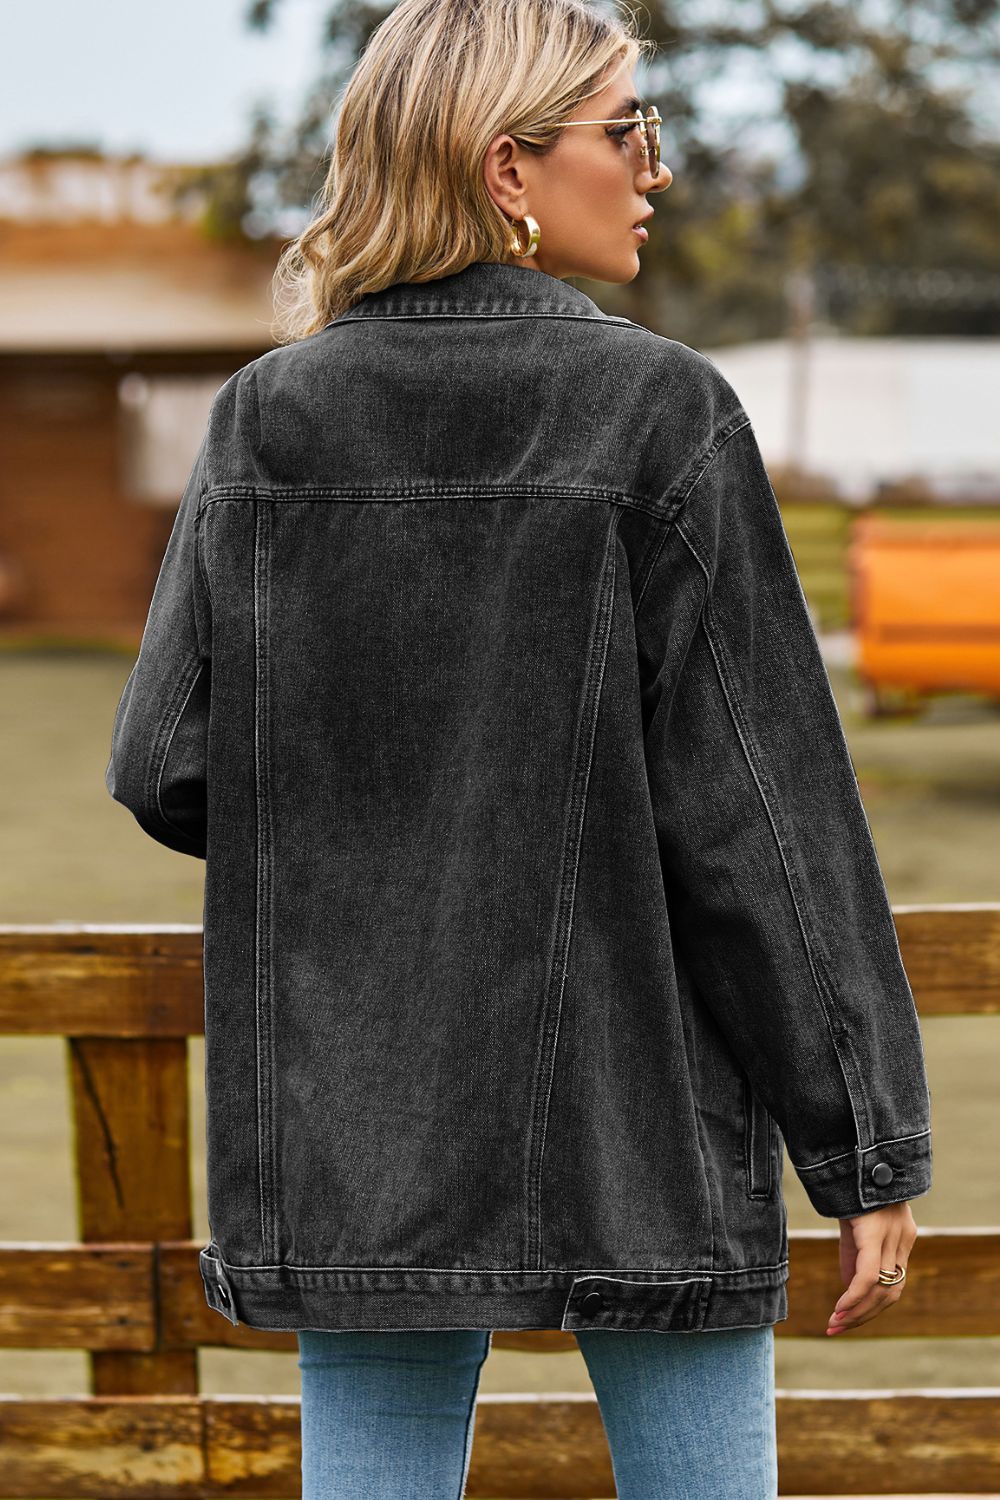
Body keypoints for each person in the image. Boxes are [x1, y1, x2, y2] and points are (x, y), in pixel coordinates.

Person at [104, 0, 933, 1494]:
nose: (654, 169)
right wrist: (862, 1146)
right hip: (645, 1104)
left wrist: (382, 836)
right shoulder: (662, 415)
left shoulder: (266, 421)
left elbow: (163, 760)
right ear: (508, 166)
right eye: (628, 131)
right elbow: (764, 820)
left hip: (360, 1119)